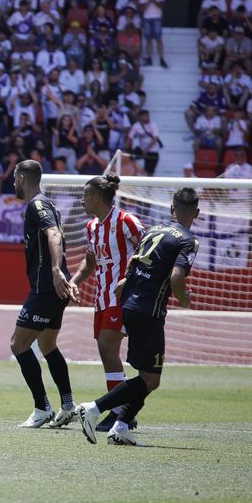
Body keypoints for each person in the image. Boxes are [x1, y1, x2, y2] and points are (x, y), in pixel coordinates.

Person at [78, 187, 201, 447]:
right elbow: (176, 277)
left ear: (171, 209)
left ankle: (121, 425)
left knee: (147, 377)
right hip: (150, 310)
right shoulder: (188, 240)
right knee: (150, 379)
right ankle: (93, 408)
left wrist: (124, 281)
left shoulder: (155, 230)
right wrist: (183, 297)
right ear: (197, 213)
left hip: (129, 303)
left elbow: (135, 260)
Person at [67, 173, 144, 433]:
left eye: (85, 196)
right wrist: (75, 281)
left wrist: (131, 279)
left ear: (97, 198)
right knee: (105, 352)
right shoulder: (92, 226)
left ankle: (120, 411)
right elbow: (91, 260)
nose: (81, 200)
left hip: (121, 296)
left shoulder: (126, 221)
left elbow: (148, 251)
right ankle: (122, 412)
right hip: (101, 297)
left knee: (107, 348)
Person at [7, 159, 74, 428]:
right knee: (47, 345)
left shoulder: (37, 204)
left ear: (22, 179)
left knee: (18, 344)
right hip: (55, 287)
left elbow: (54, 234)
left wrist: (57, 271)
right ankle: (67, 405)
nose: (13, 184)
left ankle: (42, 407)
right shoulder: (48, 204)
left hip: (47, 287)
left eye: (14, 178)